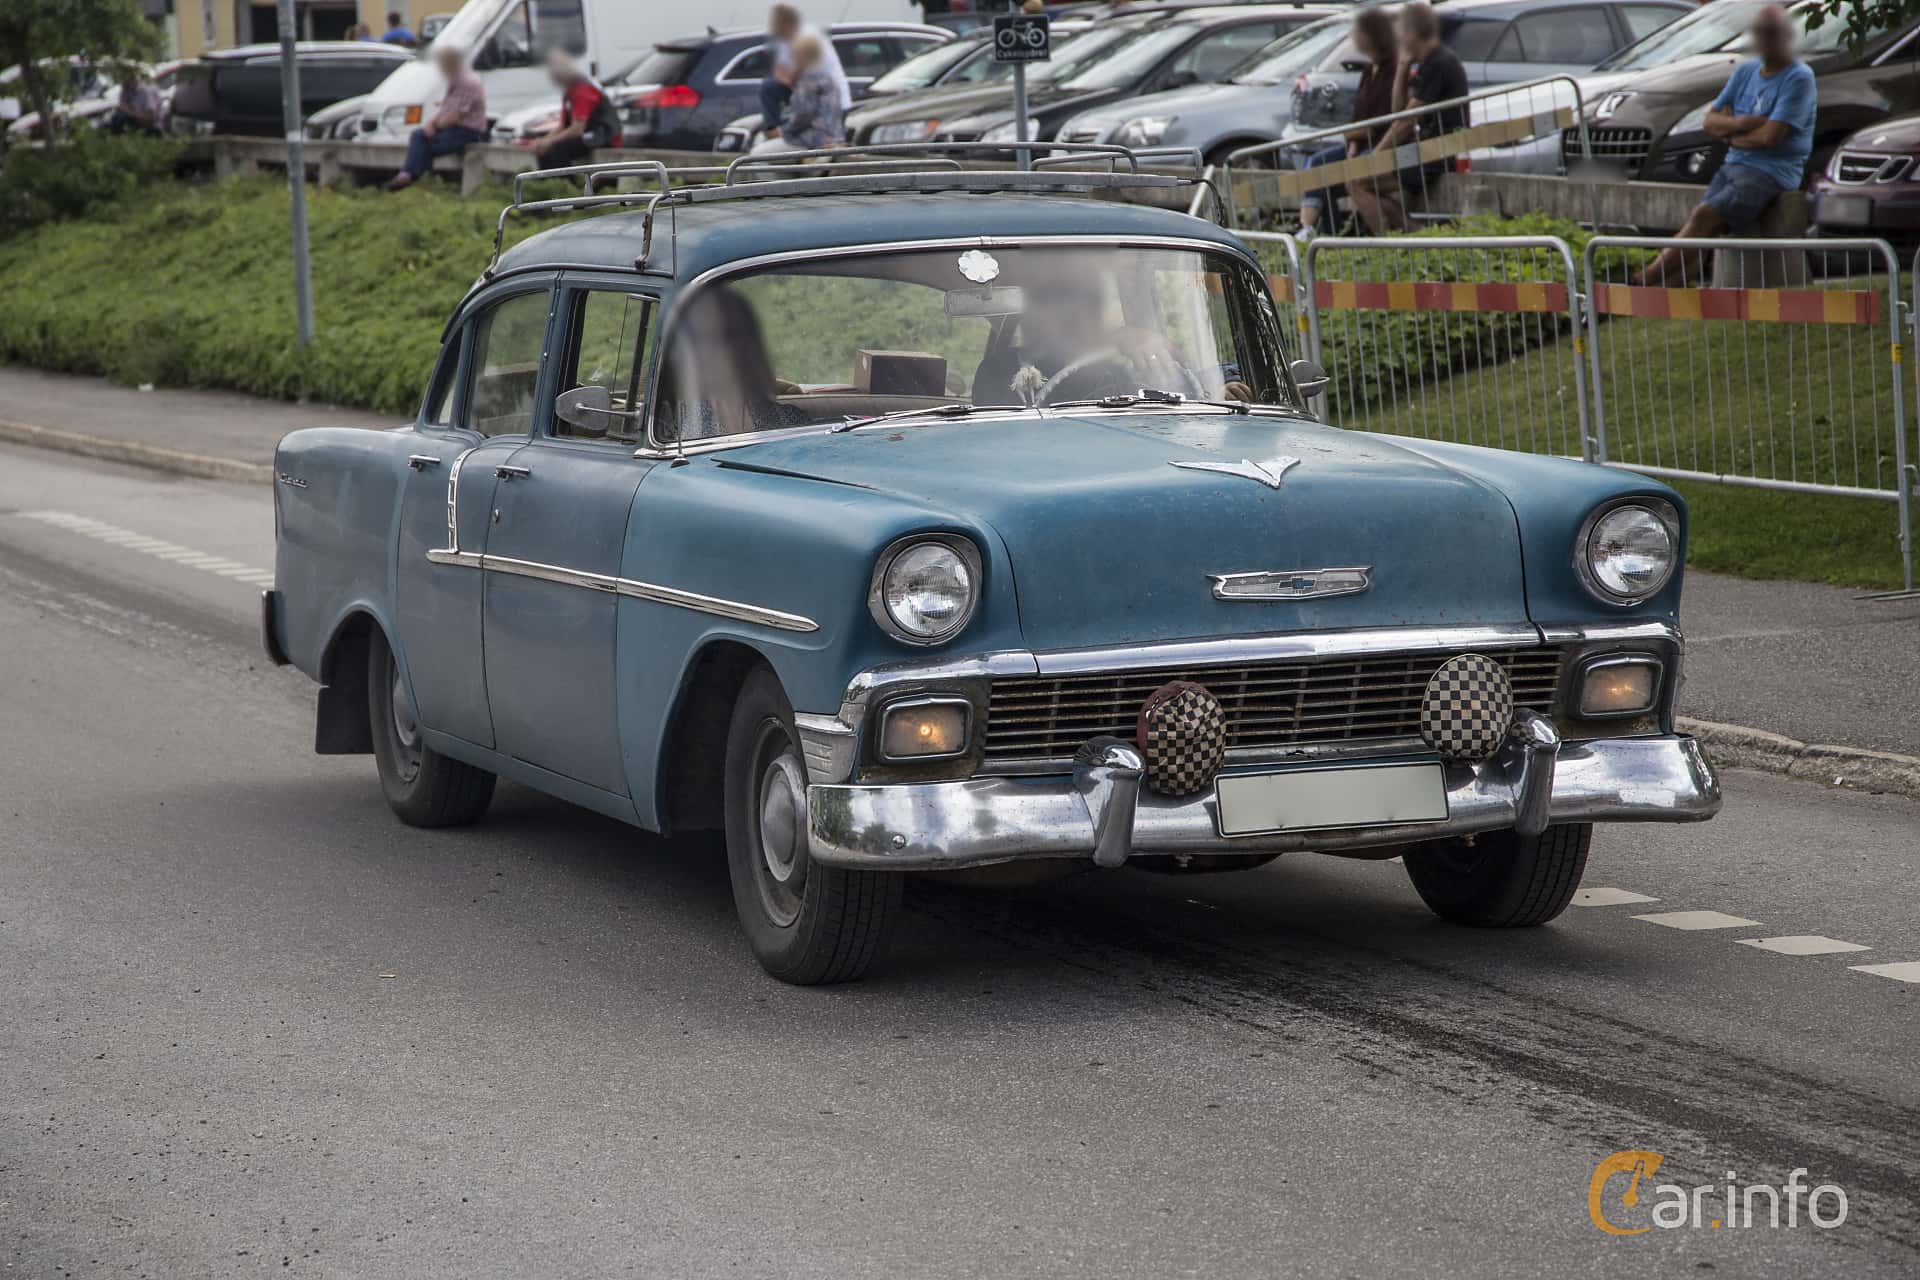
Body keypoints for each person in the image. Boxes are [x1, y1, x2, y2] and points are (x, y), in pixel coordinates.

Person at [1635, 5, 1815, 286]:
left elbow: (1770, 137)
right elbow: (1710, 122)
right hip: (1734, 164)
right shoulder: (1746, 72)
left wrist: (1730, 133)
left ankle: (1641, 281)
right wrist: (1744, 123)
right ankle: (1672, 286)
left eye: (1773, 33)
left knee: (1703, 217)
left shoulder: (1798, 78)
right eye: (1761, 33)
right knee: (1700, 231)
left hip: (1770, 174)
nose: (1766, 39)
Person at [1345, 2, 1468, 235]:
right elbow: (1398, 112)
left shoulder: (1439, 63)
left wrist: (1375, 156)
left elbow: (1405, 122)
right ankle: (1413, 234)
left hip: (1436, 153)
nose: (1397, 36)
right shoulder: (1427, 62)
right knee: (1357, 179)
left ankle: (1396, 241)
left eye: (1400, 29)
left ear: (1411, 32)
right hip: (1424, 150)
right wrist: (1402, 68)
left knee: (1358, 179)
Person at [1294, 7, 1397, 241]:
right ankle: (1311, 229)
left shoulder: (1392, 69)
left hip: (1380, 145)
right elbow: (1358, 116)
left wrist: (1353, 138)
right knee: (1317, 164)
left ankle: (1380, 238)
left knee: (1343, 174)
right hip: (1360, 142)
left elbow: (1379, 122)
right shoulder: (1369, 70)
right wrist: (1352, 146)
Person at [385, 44, 487, 191]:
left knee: (423, 145)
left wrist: (435, 127)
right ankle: (413, 178)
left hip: (467, 131)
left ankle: (412, 178)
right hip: (451, 128)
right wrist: (431, 123)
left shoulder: (468, 83)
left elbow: (455, 117)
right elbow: (445, 109)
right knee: (419, 136)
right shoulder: (454, 80)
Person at [758, 4, 850, 143]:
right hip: (818, 122)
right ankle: (772, 130)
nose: (773, 29)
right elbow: (781, 72)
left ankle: (774, 134)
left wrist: (784, 133)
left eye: (775, 23)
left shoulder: (807, 39)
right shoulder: (787, 40)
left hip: (820, 128)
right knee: (769, 87)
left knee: (764, 152)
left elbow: (804, 115)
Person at [749, 35, 845, 154]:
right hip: (833, 137)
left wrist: (781, 132)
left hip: (815, 140)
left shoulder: (808, 79)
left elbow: (803, 116)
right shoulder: (824, 75)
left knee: (758, 153)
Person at [531, 50, 620, 168]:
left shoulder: (582, 90)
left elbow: (577, 129)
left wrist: (551, 141)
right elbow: (563, 125)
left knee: (558, 149)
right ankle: (546, 178)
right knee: (544, 150)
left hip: (601, 135)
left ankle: (565, 178)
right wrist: (544, 141)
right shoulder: (569, 92)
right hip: (587, 133)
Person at [106, 66, 164, 136]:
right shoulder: (127, 90)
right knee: (116, 118)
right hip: (138, 123)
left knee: (122, 118)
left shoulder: (146, 91)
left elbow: (151, 117)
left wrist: (130, 113)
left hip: (152, 127)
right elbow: (121, 105)